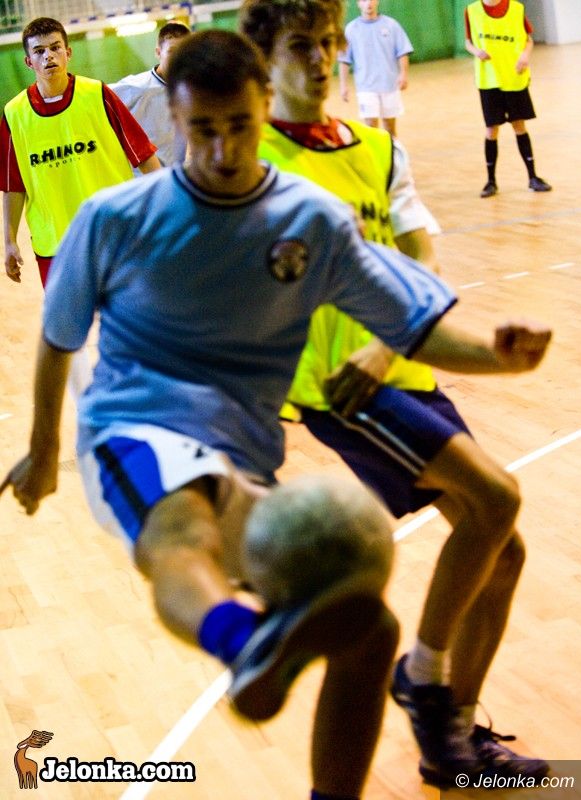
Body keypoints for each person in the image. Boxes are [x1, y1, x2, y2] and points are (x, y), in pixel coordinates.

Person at [1, 29, 552, 799]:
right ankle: (244, 642)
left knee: (369, 630)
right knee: (179, 529)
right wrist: (42, 451)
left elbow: (408, 321)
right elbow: (58, 338)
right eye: (201, 129)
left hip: (241, 452)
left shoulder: (308, 218)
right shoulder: (117, 217)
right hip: (134, 428)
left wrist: (499, 353)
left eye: (238, 125)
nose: (221, 148)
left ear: (263, 108)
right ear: (175, 121)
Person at [241, 0, 551, 789]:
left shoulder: (378, 151)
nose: (321, 59)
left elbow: (422, 263)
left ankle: (453, 738)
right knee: (497, 499)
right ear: (264, 58)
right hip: (339, 390)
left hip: (399, 370)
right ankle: (422, 676)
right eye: (301, 45)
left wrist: (406, 346)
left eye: (329, 43)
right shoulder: (248, 165)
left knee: (503, 553)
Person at [1, 16, 160, 289]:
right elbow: (13, 187)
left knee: (129, 312)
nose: (48, 56)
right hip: (55, 245)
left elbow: (143, 155)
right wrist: (9, 241)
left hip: (114, 234)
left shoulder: (98, 94)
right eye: (39, 51)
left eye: (55, 47)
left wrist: (165, 209)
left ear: (68, 52)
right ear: (28, 62)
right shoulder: (14, 114)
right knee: (67, 317)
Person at [464, 0, 552, 198]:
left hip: (513, 76)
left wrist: (525, 56)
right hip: (489, 80)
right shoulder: (472, 11)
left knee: (519, 125)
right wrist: (476, 51)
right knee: (491, 130)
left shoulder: (516, 8)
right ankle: (491, 182)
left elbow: (528, 40)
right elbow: (468, 41)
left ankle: (533, 178)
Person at [110, 21, 190, 168]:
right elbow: (98, 99)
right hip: (142, 177)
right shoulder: (136, 87)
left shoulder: (192, 90)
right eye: (172, 51)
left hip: (174, 174)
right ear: (158, 52)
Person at [338, 0, 412, 137]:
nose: (368, 4)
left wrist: (403, 74)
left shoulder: (391, 25)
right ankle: (375, 152)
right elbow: (344, 60)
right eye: (364, 0)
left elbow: (402, 52)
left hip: (390, 85)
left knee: (390, 129)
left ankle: (392, 150)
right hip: (366, 88)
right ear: (358, 3)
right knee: (371, 128)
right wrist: (343, 85)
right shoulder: (351, 29)